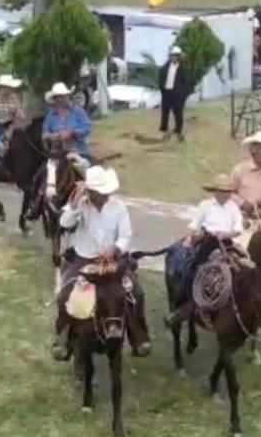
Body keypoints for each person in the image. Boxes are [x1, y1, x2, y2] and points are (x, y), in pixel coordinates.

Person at [52, 165, 151, 359]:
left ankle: (138, 337)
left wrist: (114, 248)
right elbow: (64, 223)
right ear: (91, 191)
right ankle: (63, 339)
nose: (104, 196)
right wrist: (74, 205)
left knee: (136, 293)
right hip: (83, 260)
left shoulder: (118, 207)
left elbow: (125, 235)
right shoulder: (80, 205)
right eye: (100, 192)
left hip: (112, 261)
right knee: (65, 296)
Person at [164, 174, 244, 326]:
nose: (224, 194)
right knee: (191, 268)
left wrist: (228, 233)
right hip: (207, 240)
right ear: (215, 191)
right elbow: (194, 225)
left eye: (227, 191)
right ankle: (184, 306)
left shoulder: (233, 207)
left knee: (245, 267)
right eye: (221, 191)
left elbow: (238, 228)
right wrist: (194, 235)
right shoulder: (205, 205)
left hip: (226, 242)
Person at [26, 82, 94, 220]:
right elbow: (44, 133)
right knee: (39, 176)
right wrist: (51, 136)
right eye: (57, 97)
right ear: (54, 99)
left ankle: (94, 203)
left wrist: (73, 133)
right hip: (56, 153)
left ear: (67, 97)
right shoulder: (51, 115)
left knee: (92, 173)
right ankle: (35, 206)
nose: (60, 100)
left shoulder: (78, 111)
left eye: (63, 97)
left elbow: (87, 128)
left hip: (77, 151)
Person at [158, 45, 191, 142]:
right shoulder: (165, 67)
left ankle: (178, 130)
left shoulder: (182, 69)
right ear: (170, 56)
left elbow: (186, 83)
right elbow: (161, 78)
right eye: (173, 55)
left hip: (177, 94)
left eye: (176, 56)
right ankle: (164, 130)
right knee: (165, 112)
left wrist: (182, 95)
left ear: (179, 57)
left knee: (178, 113)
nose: (174, 57)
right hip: (166, 93)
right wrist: (162, 89)